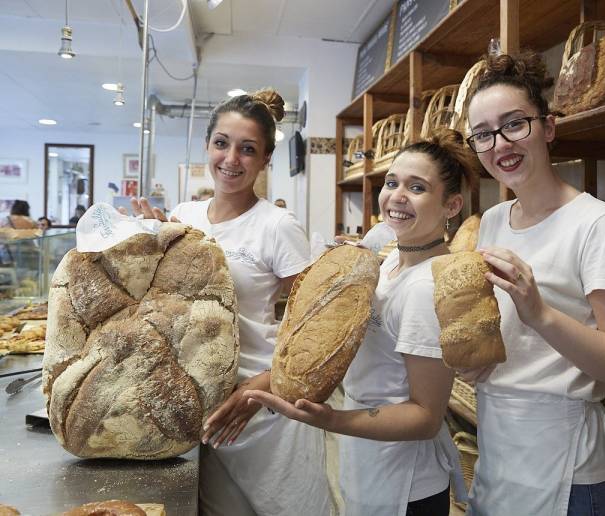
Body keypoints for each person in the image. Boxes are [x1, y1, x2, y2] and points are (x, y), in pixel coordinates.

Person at [242, 128, 479, 516]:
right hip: (367, 462)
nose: (396, 196)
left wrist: (332, 418)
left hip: (407, 483)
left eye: (417, 188)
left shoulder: (427, 287)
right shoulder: (386, 266)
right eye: (391, 183)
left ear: (452, 206)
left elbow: (425, 416)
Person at [462, 51, 605, 515]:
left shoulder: (597, 224)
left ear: (548, 128)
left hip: (570, 469)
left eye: (515, 124)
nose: (501, 144)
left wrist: (542, 314)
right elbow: (513, 341)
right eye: (484, 134)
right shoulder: (491, 221)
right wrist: (478, 361)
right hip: (499, 445)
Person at [128, 89, 333, 516]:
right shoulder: (185, 216)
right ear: (208, 145)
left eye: (248, 149)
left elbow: (317, 326)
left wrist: (258, 389)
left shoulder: (277, 226)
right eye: (222, 143)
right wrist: (142, 244)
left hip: (261, 405)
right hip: (201, 400)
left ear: (265, 160)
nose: (231, 159)